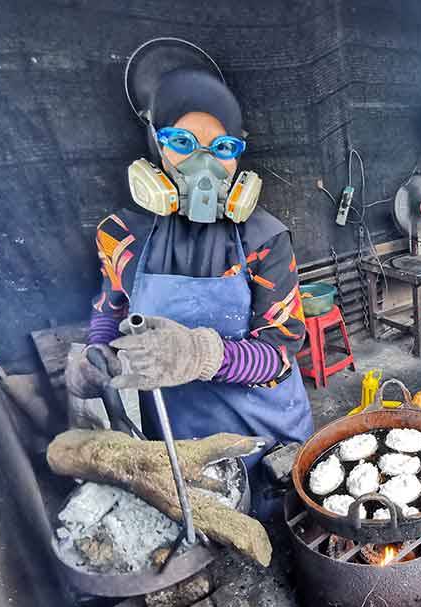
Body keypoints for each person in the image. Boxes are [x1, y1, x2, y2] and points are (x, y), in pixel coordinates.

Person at [66, 41, 314, 457]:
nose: (204, 163)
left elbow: (280, 354)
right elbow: (108, 312)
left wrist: (201, 355)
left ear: (238, 156)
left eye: (222, 148)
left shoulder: (263, 239)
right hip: (176, 440)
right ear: (155, 144)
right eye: (182, 141)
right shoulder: (119, 236)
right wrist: (96, 357)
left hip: (267, 435)